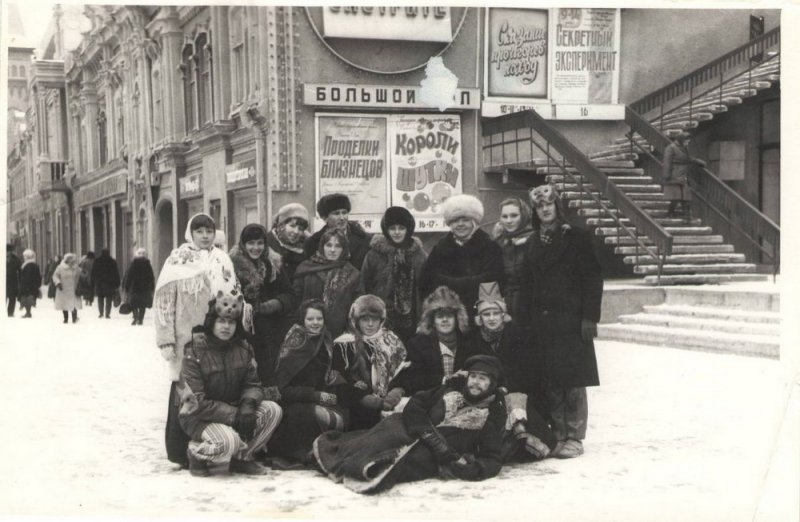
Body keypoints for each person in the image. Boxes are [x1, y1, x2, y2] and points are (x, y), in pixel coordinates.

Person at [313, 355, 507, 494]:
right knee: (380, 436)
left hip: (431, 455)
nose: (475, 383)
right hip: (408, 427)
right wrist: (426, 432)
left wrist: (471, 469)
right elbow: (417, 403)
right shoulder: (448, 391)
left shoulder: (488, 417)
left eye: (482, 379)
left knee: (401, 461)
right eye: (473, 377)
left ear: (491, 385)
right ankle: (338, 456)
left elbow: (493, 458)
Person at [519, 182, 604, 459]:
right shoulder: (531, 242)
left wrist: (590, 317)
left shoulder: (576, 237)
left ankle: (575, 436)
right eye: (539, 206)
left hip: (572, 321)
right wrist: (525, 321)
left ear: (558, 206)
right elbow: (527, 284)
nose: (545, 209)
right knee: (552, 380)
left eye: (548, 204)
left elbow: (592, 277)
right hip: (543, 323)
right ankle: (558, 433)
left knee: (573, 381)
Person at [154, 212, 241, 467]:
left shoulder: (222, 258)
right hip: (186, 337)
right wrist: (165, 339)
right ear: (190, 234)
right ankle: (180, 450)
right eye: (200, 231)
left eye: (209, 231)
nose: (205, 236)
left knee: (213, 388)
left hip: (218, 336)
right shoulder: (177, 259)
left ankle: (212, 444)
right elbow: (163, 301)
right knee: (186, 390)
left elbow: (233, 294)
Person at [179, 293, 283, 477]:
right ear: (211, 322)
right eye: (221, 321)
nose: (226, 327)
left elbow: (252, 383)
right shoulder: (193, 350)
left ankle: (242, 458)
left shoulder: (244, 348)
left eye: (232, 322)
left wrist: (248, 405)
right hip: (199, 417)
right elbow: (195, 402)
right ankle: (196, 453)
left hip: (233, 411)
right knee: (229, 442)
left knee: (273, 410)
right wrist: (235, 415)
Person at [467, 282, 555, 462]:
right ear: (480, 318)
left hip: (520, 395)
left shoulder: (519, 336)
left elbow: (530, 373)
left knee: (543, 439)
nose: (491, 318)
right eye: (486, 314)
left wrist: (506, 387)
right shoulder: (472, 342)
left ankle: (521, 441)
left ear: (503, 315)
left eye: (495, 313)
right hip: (487, 398)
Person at [269, 299, 350, 469]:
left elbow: (328, 374)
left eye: (319, 319)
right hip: (294, 403)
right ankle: (300, 454)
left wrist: (333, 385)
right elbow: (282, 390)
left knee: (345, 416)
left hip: (321, 399)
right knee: (303, 413)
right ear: (302, 320)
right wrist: (315, 395)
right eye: (310, 319)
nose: (315, 323)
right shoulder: (295, 343)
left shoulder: (326, 340)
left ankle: (320, 451)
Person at [229, 223, 296, 388]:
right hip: (241, 332)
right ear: (243, 245)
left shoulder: (272, 264)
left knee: (268, 375)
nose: (256, 248)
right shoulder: (231, 266)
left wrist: (274, 304)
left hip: (270, 333)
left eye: (260, 243)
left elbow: (290, 295)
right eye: (251, 243)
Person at [331, 295, 407, 431]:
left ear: (382, 320)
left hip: (391, 401)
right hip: (360, 406)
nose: (370, 324)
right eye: (365, 319)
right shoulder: (345, 344)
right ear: (356, 320)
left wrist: (397, 391)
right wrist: (366, 399)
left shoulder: (391, 340)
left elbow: (403, 371)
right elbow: (340, 382)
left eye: (375, 319)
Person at [419, 194, 505, 313]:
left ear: (474, 222)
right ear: (449, 224)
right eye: (455, 220)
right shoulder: (440, 248)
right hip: (448, 315)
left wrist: (448, 282)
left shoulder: (489, 247)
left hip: (480, 314)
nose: (460, 224)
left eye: (465, 220)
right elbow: (428, 280)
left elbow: (492, 280)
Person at [390, 286, 475, 398]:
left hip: (463, 397)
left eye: (449, 316)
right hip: (428, 398)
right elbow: (415, 378)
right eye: (440, 316)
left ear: (457, 319)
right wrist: (446, 380)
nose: (445, 320)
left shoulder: (469, 342)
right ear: (433, 321)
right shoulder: (417, 344)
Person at [360, 206, 427, 343]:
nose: (397, 232)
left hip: (412, 320)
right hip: (381, 319)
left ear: (409, 229)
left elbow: (426, 288)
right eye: (392, 228)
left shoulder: (419, 255)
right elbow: (364, 287)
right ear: (386, 229)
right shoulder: (374, 254)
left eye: (401, 228)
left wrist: (424, 319)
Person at [293, 228, 360, 338]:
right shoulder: (306, 268)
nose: (332, 250)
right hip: (307, 331)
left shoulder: (353, 274)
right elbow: (295, 300)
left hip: (339, 334)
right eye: (328, 245)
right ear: (322, 246)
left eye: (338, 246)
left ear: (344, 249)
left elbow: (356, 307)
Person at [304, 193, 372, 270]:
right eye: (336, 213)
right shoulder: (312, 243)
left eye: (344, 212)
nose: (342, 218)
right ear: (324, 218)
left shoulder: (366, 240)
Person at [492, 197, 534, 320]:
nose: (509, 220)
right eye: (504, 216)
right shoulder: (499, 242)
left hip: (531, 306)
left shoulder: (534, 239)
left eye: (514, 215)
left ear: (524, 215)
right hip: (507, 307)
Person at [663, 131, 705, 221]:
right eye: (686, 141)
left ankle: (686, 215)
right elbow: (667, 162)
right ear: (681, 140)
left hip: (683, 174)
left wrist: (698, 162)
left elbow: (687, 158)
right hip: (675, 173)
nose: (687, 143)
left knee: (685, 194)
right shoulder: (671, 148)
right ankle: (671, 212)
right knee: (676, 195)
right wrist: (667, 175)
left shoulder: (684, 148)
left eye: (688, 141)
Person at [268, 203, 310, 280]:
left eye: (300, 228)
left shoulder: (307, 250)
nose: (296, 231)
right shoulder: (266, 245)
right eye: (292, 226)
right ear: (281, 225)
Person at [121, 248, 155, 325]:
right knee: (143, 304)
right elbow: (151, 277)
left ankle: (136, 316)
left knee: (133, 303)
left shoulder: (134, 264)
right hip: (145, 287)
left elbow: (129, 276)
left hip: (135, 287)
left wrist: (126, 287)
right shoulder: (147, 264)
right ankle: (141, 319)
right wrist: (152, 287)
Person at [52, 253, 82, 324]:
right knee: (64, 304)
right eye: (70, 260)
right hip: (63, 288)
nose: (72, 261)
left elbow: (81, 276)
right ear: (66, 260)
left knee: (73, 304)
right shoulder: (60, 267)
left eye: (73, 260)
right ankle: (65, 318)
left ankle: (74, 318)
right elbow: (55, 276)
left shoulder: (76, 268)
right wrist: (58, 283)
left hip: (74, 289)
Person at [92, 248, 121, 318]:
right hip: (109, 283)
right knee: (109, 298)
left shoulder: (97, 261)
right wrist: (117, 283)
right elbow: (116, 273)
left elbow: (93, 272)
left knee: (100, 298)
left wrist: (92, 282)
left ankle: (101, 313)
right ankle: (107, 313)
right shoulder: (112, 261)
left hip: (100, 283)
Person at [17, 249, 41, 318]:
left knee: (26, 298)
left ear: (27, 257)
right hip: (33, 285)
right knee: (28, 298)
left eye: (24, 256)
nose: (24, 257)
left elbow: (26, 277)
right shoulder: (34, 265)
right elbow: (38, 276)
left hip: (27, 285)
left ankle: (28, 312)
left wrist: (22, 285)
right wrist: (38, 284)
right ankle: (28, 312)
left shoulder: (27, 265)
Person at [6, 244, 21, 317]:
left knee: (12, 298)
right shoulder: (15, 259)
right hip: (8, 281)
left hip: (12, 281)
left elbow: (19, 269)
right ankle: (7, 313)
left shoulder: (15, 259)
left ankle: (10, 313)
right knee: (8, 297)